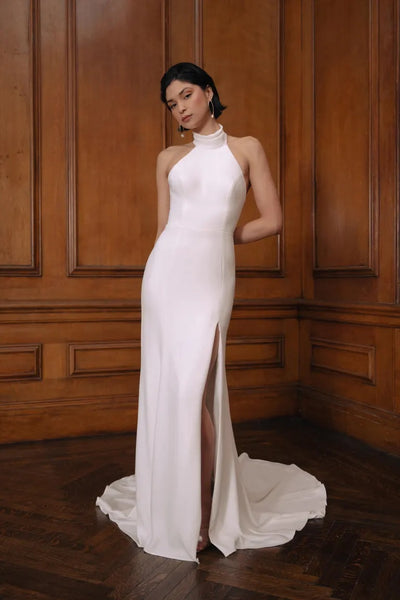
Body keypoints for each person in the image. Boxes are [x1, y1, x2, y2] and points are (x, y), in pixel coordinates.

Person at [96, 62, 327, 563]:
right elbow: (165, 229)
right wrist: (180, 250)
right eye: (171, 103)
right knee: (176, 390)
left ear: (208, 92)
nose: (180, 107)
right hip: (164, 278)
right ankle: (187, 506)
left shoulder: (246, 148)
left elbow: (274, 220)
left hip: (211, 278)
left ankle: (203, 510)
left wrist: (222, 235)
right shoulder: (168, 158)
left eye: (186, 95)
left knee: (198, 386)